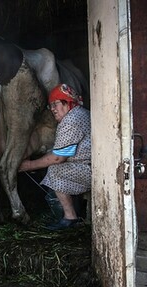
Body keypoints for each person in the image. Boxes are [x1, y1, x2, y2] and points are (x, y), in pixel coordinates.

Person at [19, 83, 91, 230]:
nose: (52, 109)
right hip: (91, 165)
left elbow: (58, 158)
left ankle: (70, 218)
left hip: (90, 169)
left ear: (67, 103)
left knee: (55, 170)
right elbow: (60, 150)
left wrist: (29, 165)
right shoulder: (81, 113)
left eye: (55, 104)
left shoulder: (70, 121)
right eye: (50, 106)